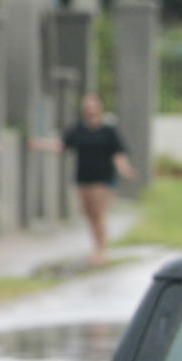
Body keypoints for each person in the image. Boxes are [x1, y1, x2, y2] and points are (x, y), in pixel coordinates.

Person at [35, 92, 136, 264]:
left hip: (103, 178)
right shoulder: (77, 130)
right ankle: (97, 246)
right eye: (87, 106)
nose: (90, 109)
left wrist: (125, 170)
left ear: (100, 107)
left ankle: (101, 249)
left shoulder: (108, 131)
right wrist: (41, 144)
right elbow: (63, 146)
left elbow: (119, 153)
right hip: (83, 177)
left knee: (99, 213)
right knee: (89, 214)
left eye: (93, 105)